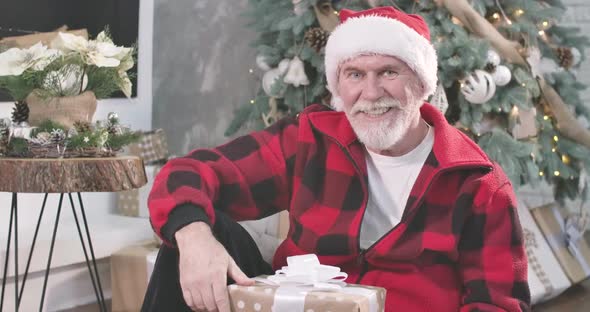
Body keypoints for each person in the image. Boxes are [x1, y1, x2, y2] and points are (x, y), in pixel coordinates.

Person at [143, 6, 530, 312]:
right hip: (292, 306)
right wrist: (194, 238)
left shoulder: (479, 185)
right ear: (338, 86)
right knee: (189, 235)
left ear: (422, 84)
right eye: (355, 74)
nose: (371, 92)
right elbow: (186, 173)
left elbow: (497, 304)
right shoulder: (309, 141)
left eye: (389, 72)